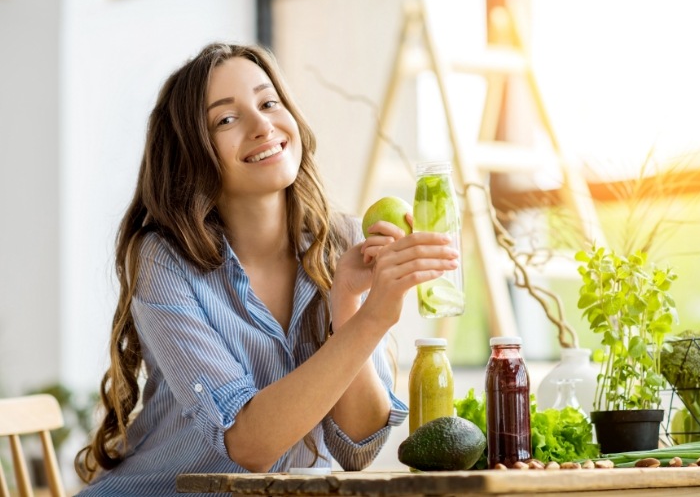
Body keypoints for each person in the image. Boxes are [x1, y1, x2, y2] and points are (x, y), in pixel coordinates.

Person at [74, 42, 459, 496]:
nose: (262, 125)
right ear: (190, 153)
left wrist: (350, 307)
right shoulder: (163, 259)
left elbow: (357, 447)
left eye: (269, 102)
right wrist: (375, 318)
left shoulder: (345, 243)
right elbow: (248, 444)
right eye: (226, 119)